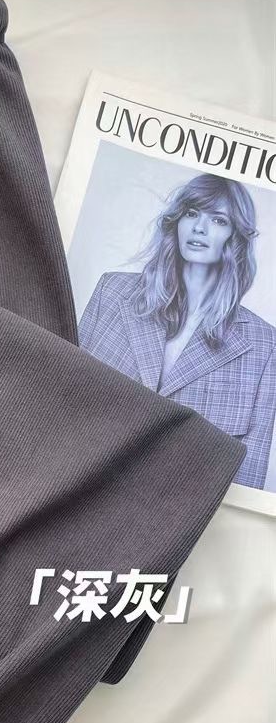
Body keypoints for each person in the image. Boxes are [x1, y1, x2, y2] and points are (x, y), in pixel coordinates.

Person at [79, 174, 276, 490]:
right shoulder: (112, 292)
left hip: (173, 509)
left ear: (235, 237)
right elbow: (66, 400)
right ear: (177, 221)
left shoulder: (264, 345)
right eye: (192, 213)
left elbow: (247, 478)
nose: (200, 228)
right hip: (81, 486)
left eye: (219, 220)